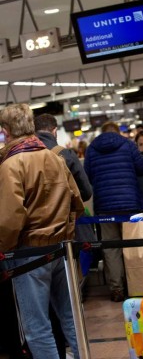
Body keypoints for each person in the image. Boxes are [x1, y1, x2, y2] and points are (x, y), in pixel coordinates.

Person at [0, 103, 85, 359]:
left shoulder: (10, 165)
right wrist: (64, 232)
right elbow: (77, 203)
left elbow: (10, 218)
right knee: (71, 319)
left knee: (37, 326)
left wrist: (6, 250)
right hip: (61, 249)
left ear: (6, 130)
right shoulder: (54, 157)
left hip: (28, 253)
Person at [34, 113, 93, 358]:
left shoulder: (19, 156)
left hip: (33, 242)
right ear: (54, 129)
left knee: (40, 311)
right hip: (65, 237)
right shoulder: (63, 154)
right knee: (69, 306)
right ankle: (79, 353)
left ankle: (57, 351)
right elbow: (85, 192)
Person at [84, 121, 143, 302]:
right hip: (130, 204)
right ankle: (135, 285)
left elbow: (87, 176)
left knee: (111, 248)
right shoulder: (128, 144)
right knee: (133, 246)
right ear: (118, 132)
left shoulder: (91, 149)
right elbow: (142, 169)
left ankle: (116, 288)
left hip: (105, 206)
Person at [34, 113, 92, 202]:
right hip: (63, 213)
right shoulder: (66, 154)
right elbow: (86, 192)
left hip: (35, 214)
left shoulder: (24, 156)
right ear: (55, 131)